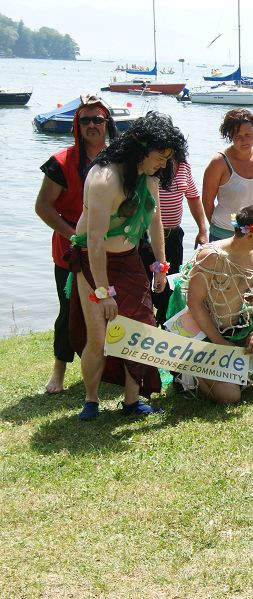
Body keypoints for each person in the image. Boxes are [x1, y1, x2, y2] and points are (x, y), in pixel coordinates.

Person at [67, 111, 187, 420]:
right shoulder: (104, 178)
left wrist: (160, 265)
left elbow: (156, 218)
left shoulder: (148, 176)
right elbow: (93, 240)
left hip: (131, 259)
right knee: (99, 336)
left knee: (141, 330)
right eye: (160, 156)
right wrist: (103, 292)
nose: (163, 164)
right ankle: (91, 400)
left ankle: (132, 401)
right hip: (94, 262)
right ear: (141, 147)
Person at [35, 94, 117, 394]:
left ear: (107, 123)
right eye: (86, 120)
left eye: (98, 119)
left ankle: (111, 366)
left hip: (113, 249)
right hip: (70, 251)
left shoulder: (119, 159)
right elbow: (43, 207)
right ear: (77, 125)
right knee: (69, 311)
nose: (93, 125)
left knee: (111, 308)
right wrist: (74, 235)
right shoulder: (61, 162)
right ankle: (58, 369)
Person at [184, 206, 253, 403]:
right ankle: (190, 372)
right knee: (230, 397)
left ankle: (239, 368)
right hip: (209, 336)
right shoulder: (211, 256)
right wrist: (219, 343)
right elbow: (194, 304)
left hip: (241, 327)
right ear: (250, 235)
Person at [139, 160, 206, 325]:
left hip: (173, 237)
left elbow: (193, 197)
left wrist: (202, 230)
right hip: (146, 238)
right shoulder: (151, 166)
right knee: (145, 285)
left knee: (168, 285)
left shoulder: (184, 166)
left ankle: (165, 325)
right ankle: (144, 325)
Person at [202, 109, 253, 247]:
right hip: (224, 234)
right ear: (229, 136)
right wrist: (224, 227)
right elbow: (207, 202)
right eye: (238, 136)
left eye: (248, 134)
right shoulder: (219, 162)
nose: (244, 140)